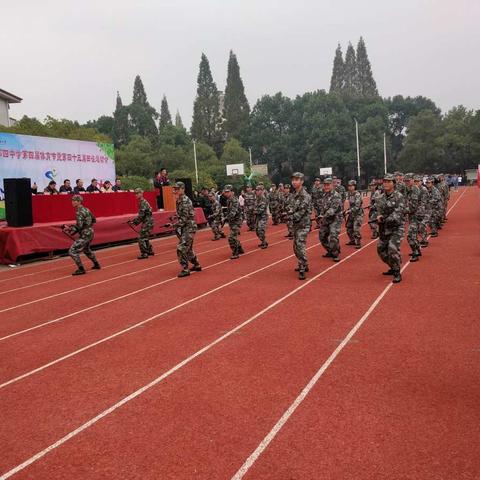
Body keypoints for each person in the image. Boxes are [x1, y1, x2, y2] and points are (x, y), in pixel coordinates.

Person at [375, 173, 405, 284]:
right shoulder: (380, 198)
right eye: (385, 181)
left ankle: (397, 272)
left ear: (394, 183)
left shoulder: (399, 196)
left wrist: (385, 218)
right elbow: (378, 212)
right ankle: (393, 265)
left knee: (392, 249)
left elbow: (398, 213)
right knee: (381, 250)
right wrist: (378, 217)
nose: (386, 183)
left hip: (397, 228)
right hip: (384, 228)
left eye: (389, 181)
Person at [63, 195, 100, 275]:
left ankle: (81, 269)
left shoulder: (79, 212)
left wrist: (69, 228)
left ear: (79, 202)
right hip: (90, 231)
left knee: (72, 251)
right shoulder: (87, 209)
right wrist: (87, 226)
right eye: (72, 200)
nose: (72, 202)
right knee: (86, 249)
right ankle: (96, 264)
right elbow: (94, 220)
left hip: (85, 234)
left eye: (74, 200)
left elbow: (79, 226)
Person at [173, 181, 201, 277]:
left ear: (183, 189)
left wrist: (175, 225)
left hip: (189, 227)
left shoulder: (184, 201)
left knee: (181, 248)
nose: (176, 190)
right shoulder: (179, 200)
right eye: (175, 189)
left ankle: (185, 269)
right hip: (187, 227)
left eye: (178, 189)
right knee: (188, 249)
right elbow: (181, 216)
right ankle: (197, 264)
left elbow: (184, 219)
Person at [290, 172, 312, 280]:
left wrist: (290, 216)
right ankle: (305, 264)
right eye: (293, 180)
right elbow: (291, 208)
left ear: (302, 181)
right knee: (295, 247)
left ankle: (302, 268)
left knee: (299, 245)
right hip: (295, 225)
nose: (294, 182)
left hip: (303, 225)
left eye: (297, 180)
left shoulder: (305, 196)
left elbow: (301, 212)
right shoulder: (293, 195)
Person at [317, 177, 343, 262]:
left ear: (332, 185)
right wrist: (321, 215)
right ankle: (330, 250)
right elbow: (323, 208)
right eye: (325, 185)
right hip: (326, 218)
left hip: (336, 218)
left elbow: (333, 209)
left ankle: (335, 254)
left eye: (328, 185)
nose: (326, 187)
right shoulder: (324, 195)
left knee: (333, 236)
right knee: (322, 236)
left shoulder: (336, 195)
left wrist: (323, 216)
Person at [128, 188, 154, 259]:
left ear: (141, 193)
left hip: (147, 221)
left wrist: (134, 222)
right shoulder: (143, 201)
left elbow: (141, 215)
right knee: (145, 236)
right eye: (135, 194)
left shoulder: (142, 202)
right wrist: (134, 221)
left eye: (137, 193)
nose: (136, 195)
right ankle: (149, 250)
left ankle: (144, 253)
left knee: (140, 237)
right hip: (148, 221)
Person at [223, 185, 244, 259]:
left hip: (237, 221)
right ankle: (240, 248)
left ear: (232, 192)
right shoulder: (228, 200)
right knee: (234, 236)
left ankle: (235, 252)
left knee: (231, 237)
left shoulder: (234, 200)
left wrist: (225, 218)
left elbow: (233, 213)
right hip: (232, 221)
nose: (226, 193)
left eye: (228, 192)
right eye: (225, 192)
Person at [404, 173, 421, 262]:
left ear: (412, 180)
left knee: (410, 235)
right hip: (412, 215)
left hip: (416, 215)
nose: (406, 182)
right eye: (405, 181)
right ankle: (417, 250)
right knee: (413, 235)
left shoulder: (414, 189)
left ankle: (415, 253)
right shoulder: (408, 189)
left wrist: (403, 211)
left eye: (408, 180)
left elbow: (413, 207)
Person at [345, 179, 364, 249]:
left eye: (351, 186)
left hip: (358, 214)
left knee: (356, 229)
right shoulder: (350, 194)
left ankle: (358, 242)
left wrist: (349, 211)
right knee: (348, 227)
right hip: (352, 214)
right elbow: (351, 205)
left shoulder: (357, 194)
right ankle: (352, 240)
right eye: (349, 186)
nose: (350, 187)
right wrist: (347, 210)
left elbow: (357, 206)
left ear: (354, 186)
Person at [414, 175, 429, 247]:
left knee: (422, 225)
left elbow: (424, 202)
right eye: (415, 181)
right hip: (417, 210)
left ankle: (424, 240)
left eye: (418, 181)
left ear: (421, 182)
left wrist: (418, 209)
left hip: (425, 210)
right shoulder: (414, 189)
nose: (416, 183)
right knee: (416, 226)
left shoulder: (423, 189)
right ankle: (421, 239)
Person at [254, 185, 268, 249]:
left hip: (263, 217)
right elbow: (255, 207)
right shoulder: (257, 198)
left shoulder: (263, 198)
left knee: (260, 229)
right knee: (256, 230)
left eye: (258, 190)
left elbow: (261, 210)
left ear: (262, 191)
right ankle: (263, 241)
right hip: (258, 217)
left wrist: (255, 211)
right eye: (256, 190)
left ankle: (264, 242)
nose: (257, 191)